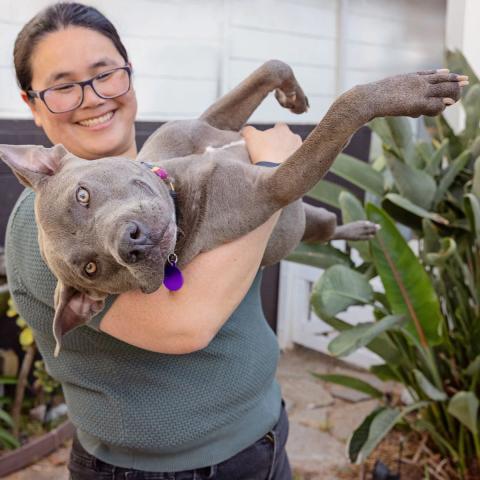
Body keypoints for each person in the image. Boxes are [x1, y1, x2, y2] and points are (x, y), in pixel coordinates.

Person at [5, 2, 302, 479]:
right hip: (160, 472)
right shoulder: (43, 229)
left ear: (130, 75)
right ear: (32, 105)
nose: (92, 97)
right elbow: (185, 325)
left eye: (106, 74)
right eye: (63, 87)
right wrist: (271, 176)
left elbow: (215, 127)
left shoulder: (150, 174)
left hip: (263, 435)